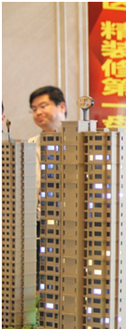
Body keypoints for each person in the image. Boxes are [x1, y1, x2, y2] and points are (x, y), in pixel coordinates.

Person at [28, 86, 67, 287]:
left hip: (69, 225)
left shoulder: (81, 142)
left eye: (43, 106)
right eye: (34, 109)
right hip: (38, 225)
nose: (38, 112)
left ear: (62, 107)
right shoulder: (30, 145)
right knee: (40, 280)